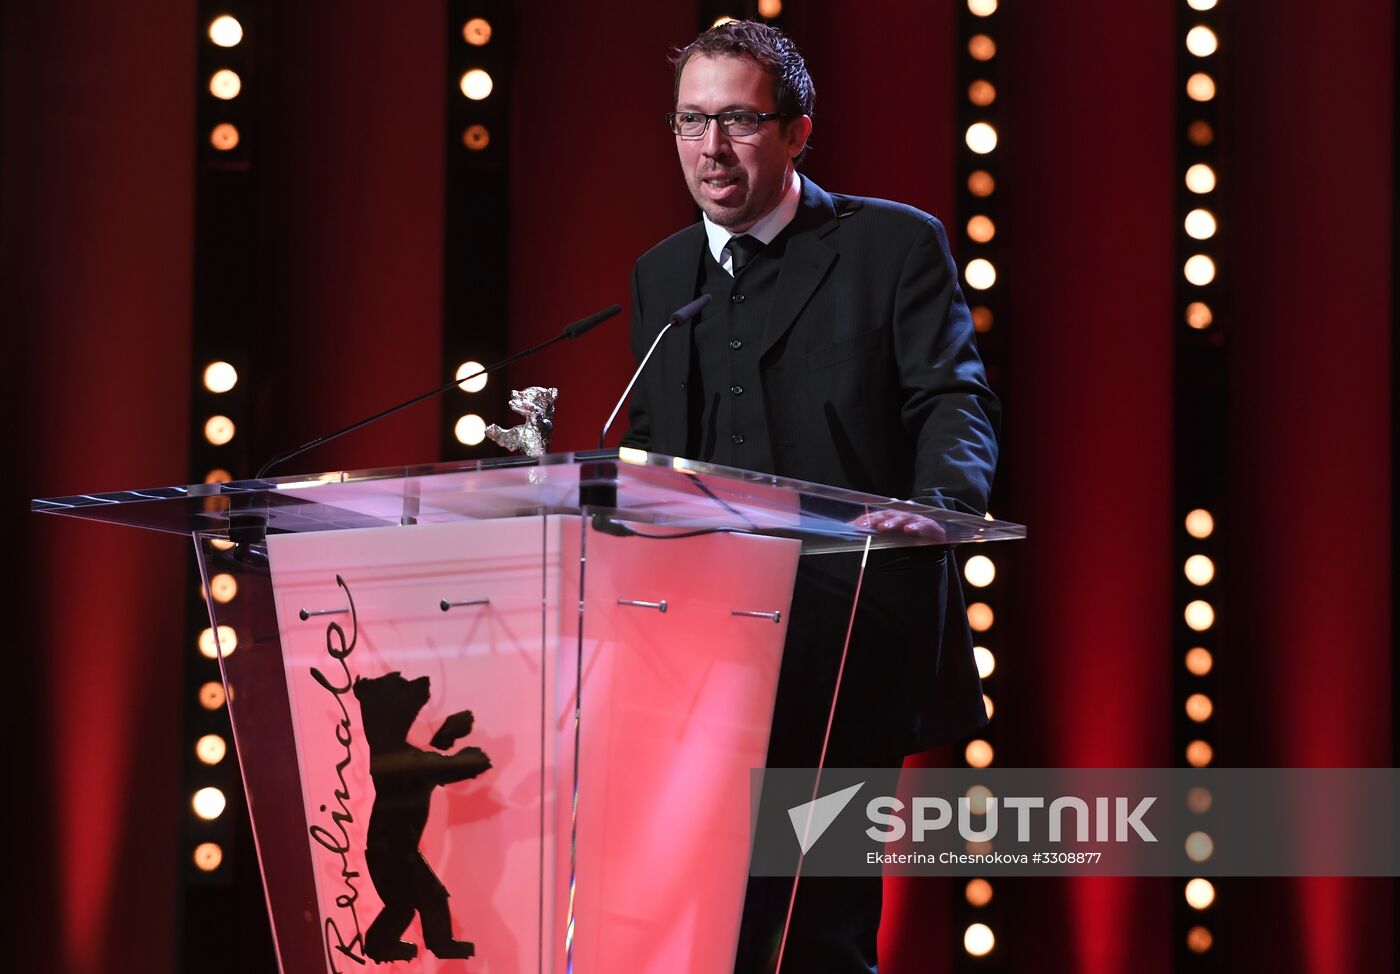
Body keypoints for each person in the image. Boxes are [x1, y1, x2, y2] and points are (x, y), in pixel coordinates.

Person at [620, 20, 999, 974]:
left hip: (845, 632)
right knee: (708, 925)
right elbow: (656, 455)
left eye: (739, 121)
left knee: (820, 926)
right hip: (696, 649)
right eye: (690, 121)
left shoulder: (892, 245)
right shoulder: (660, 276)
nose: (710, 149)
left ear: (798, 131)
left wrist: (938, 504)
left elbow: (953, 397)